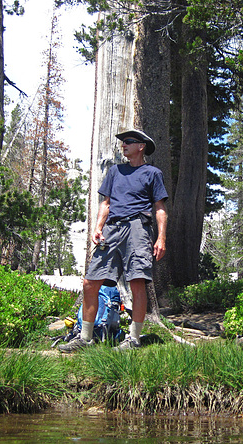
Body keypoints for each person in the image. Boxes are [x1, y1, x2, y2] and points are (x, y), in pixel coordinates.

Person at [59, 129, 168, 353]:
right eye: (122, 142)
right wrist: (98, 228)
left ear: (141, 146)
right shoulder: (114, 171)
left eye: (128, 142)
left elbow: (160, 208)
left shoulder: (152, 173)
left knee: (137, 282)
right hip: (111, 229)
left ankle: (134, 339)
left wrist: (161, 238)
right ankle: (86, 337)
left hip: (138, 228)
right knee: (90, 282)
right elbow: (106, 203)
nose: (123, 145)